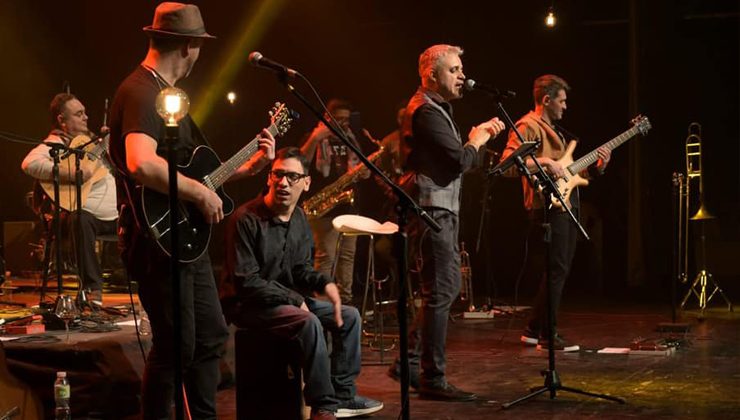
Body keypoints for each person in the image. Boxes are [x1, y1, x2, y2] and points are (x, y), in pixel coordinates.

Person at [107, 3, 275, 418]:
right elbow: (141, 164)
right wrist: (200, 196)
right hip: (157, 243)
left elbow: (191, 177)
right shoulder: (142, 91)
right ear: (188, 46)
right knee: (175, 346)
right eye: (199, 46)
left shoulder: (164, 95)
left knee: (211, 336)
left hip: (183, 241)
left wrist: (245, 169)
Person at [221, 147, 383, 420]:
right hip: (248, 304)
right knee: (307, 322)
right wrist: (295, 300)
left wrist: (325, 282)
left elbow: (300, 269)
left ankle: (343, 395)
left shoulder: (298, 218)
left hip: (283, 300)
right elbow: (246, 281)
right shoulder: (245, 219)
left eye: (292, 177)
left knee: (350, 315)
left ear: (306, 183)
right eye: (278, 175)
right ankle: (323, 406)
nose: (283, 183)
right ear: (269, 178)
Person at [387, 44, 505, 401]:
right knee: (440, 291)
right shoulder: (425, 110)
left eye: (460, 69)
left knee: (444, 289)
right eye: (453, 70)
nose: (461, 76)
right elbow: (459, 161)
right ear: (431, 75)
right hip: (432, 210)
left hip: (439, 209)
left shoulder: (435, 108)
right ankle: (431, 377)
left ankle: (408, 362)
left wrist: (475, 141)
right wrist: (477, 139)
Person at [500, 74, 610, 352]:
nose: (565, 106)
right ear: (546, 100)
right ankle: (547, 335)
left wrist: (596, 168)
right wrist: (545, 162)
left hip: (566, 203)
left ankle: (533, 331)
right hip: (547, 206)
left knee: (557, 270)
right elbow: (507, 164)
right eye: (561, 101)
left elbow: (569, 172)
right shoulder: (527, 126)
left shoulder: (557, 131)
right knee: (557, 269)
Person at [21, 93, 117, 304]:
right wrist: (74, 174)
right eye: (78, 114)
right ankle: (92, 290)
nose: (85, 117)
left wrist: (111, 144)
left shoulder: (92, 143)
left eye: (85, 113)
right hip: (85, 217)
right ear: (61, 120)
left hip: (117, 215)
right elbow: (29, 164)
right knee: (79, 219)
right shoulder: (54, 145)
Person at [300, 99, 363, 305]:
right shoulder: (316, 138)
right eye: (339, 119)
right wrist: (316, 137)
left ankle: (346, 304)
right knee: (326, 258)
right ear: (328, 118)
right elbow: (301, 162)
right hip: (324, 209)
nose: (344, 124)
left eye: (347, 119)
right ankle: (322, 304)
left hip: (347, 207)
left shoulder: (351, 139)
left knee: (347, 258)